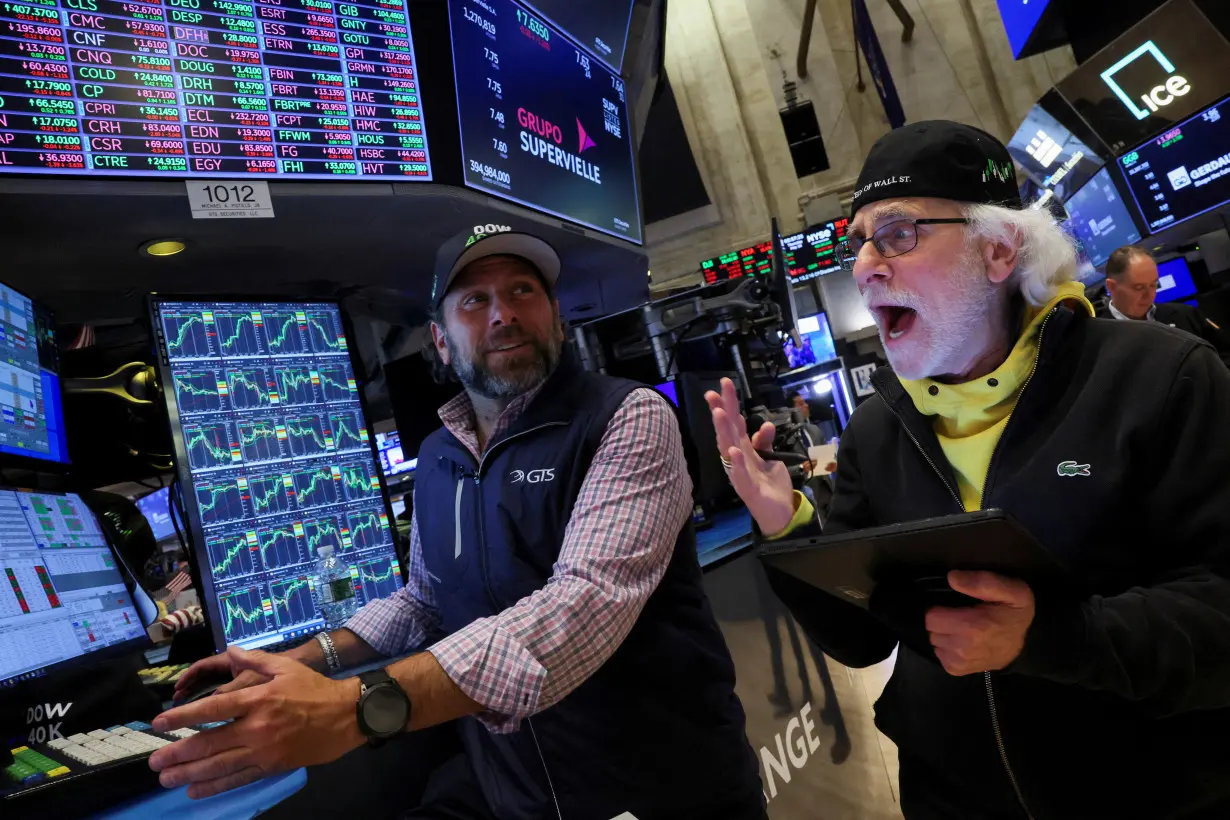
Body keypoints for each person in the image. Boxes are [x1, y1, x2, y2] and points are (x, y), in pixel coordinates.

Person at [709, 120, 1230, 818]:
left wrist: (1050, 638)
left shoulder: (1162, 378)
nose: (864, 265)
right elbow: (863, 640)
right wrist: (789, 523)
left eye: (897, 232)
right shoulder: (880, 428)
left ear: (998, 249)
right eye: (858, 240)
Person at [155, 224, 765, 820]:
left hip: (663, 789)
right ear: (440, 341)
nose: (503, 314)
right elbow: (424, 600)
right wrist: (304, 660)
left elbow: (583, 605)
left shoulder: (625, 417)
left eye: (522, 292)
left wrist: (354, 707)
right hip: (520, 793)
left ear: (555, 316)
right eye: (475, 300)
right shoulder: (440, 456)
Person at [1097, 245, 1230, 366]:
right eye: (1139, 287)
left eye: (1154, 284)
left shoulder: (1186, 315)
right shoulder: (1097, 338)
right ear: (1112, 286)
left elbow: (1224, 356)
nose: (1150, 295)